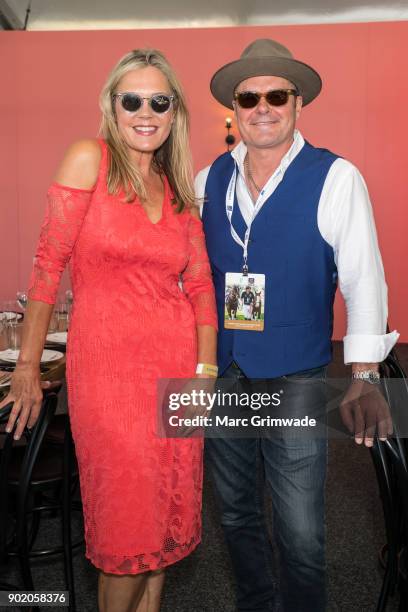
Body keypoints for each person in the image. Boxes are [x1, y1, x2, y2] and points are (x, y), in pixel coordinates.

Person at [1, 48, 218, 612]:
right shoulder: (87, 159)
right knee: (126, 527)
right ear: (112, 106)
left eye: (159, 100)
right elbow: (47, 266)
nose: (145, 111)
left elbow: (200, 287)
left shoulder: (178, 187)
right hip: (109, 377)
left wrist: (206, 371)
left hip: (176, 375)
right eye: (132, 100)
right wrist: (27, 366)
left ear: (175, 112)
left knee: (162, 533)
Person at [195, 38, 399, 611]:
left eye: (276, 94)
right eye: (249, 96)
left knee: (300, 527)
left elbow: (364, 279)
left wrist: (365, 375)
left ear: (297, 103)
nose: (263, 106)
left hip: (296, 375)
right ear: (233, 109)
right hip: (226, 369)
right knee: (235, 511)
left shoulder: (336, 177)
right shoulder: (207, 178)